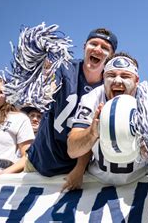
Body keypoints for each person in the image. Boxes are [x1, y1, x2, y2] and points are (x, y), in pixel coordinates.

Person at [25, 28, 118, 190]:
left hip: (73, 169)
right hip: (39, 160)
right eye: (93, 43)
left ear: (111, 56)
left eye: (105, 47)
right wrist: (44, 84)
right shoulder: (65, 67)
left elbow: (94, 132)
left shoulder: (108, 85)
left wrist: (80, 168)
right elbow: (49, 86)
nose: (97, 49)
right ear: (84, 46)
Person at [67, 53, 148, 185]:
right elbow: (72, 150)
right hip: (99, 181)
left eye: (125, 76)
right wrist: (92, 132)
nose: (117, 81)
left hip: (140, 179)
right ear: (103, 78)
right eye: (111, 75)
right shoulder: (92, 99)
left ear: (136, 80)